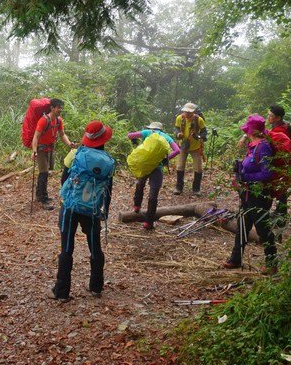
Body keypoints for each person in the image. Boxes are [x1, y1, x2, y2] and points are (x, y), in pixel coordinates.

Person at [52, 120, 115, 301]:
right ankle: (96, 287)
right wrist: (105, 212)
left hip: (71, 207)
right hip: (93, 208)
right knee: (95, 247)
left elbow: (64, 180)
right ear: (104, 140)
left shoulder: (75, 154)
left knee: (67, 249)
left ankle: (62, 292)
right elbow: (108, 190)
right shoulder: (108, 163)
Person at [224, 115, 277, 274]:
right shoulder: (253, 145)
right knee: (242, 226)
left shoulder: (263, 147)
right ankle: (235, 259)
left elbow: (267, 173)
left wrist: (245, 178)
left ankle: (272, 264)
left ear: (251, 131)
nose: (245, 133)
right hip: (247, 193)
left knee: (263, 229)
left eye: (247, 130)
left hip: (259, 195)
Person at [127, 122, 181, 230]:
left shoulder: (147, 132)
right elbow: (177, 150)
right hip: (157, 167)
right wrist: (167, 159)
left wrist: (135, 141)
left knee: (140, 183)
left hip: (145, 166)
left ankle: (137, 206)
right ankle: (148, 223)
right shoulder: (166, 137)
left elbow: (130, 135)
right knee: (153, 194)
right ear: (161, 129)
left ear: (152, 128)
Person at [31, 98, 76, 210]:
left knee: (46, 172)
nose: (60, 109)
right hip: (41, 150)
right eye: (58, 107)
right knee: (44, 173)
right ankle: (43, 199)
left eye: (61, 107)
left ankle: (39, 195)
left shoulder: (59, 120)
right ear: (52, 108)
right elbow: (36, 136)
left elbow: (62, 134)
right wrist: (34, 151)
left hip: (50, 149)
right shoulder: (43, 120)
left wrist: (69, 144)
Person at [267, 105, 291, 220]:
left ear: (278, 118)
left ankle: (281, 216)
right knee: (281, 189)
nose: (268, 117)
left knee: (280, 189)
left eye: (271, 115)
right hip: (284, 164)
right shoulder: (284, 127)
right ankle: (280, 213)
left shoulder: (281, 130)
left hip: (282, 165)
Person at [173, 103, 206, 195]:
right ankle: (178, 187)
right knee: (180, 166)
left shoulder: (199, 120)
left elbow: (204, 133)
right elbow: (176, 129)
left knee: (198, 168)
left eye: (189, 112)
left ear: (193, 112)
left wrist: (197, 136)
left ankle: (196, 189)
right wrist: (178, 134)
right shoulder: (180, 118)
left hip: (195, 147)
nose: (187, 113)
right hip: (183, 145)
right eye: (186, 111)